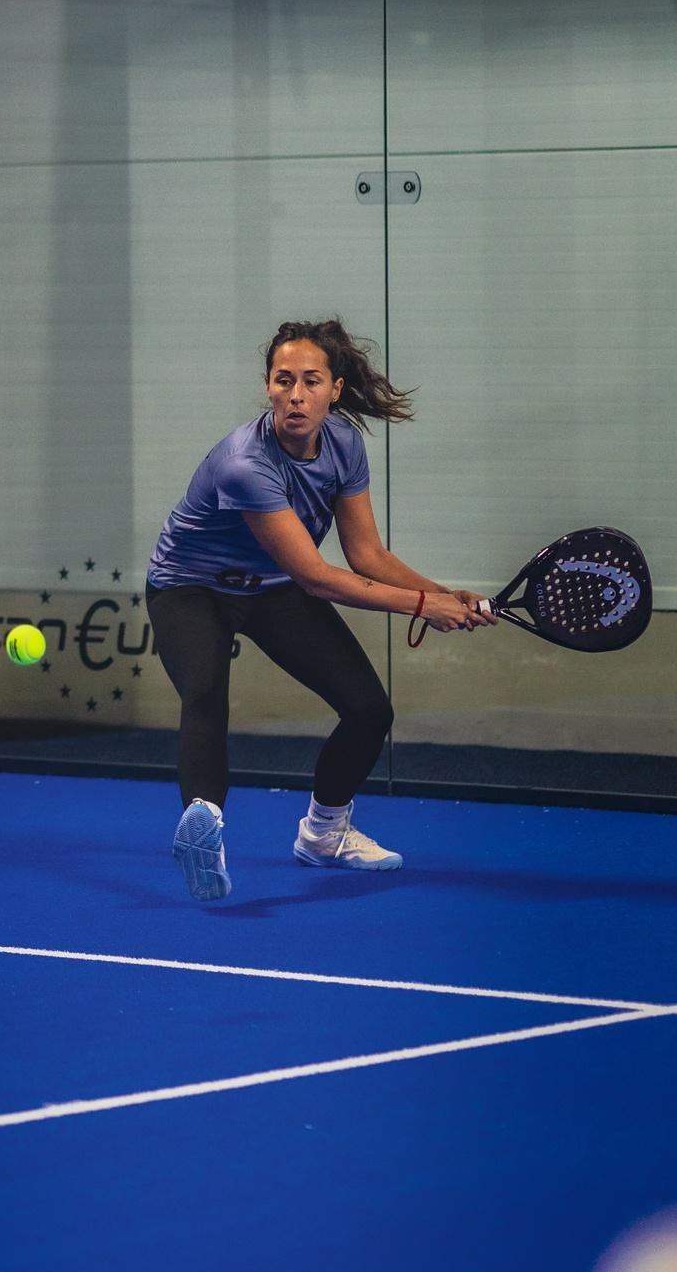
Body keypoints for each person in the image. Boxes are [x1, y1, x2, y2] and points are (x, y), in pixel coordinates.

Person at [145, 317, 496, 903]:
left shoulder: (344, 445)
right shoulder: (244, 464)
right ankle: (204, 831)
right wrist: (423, 606)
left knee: (369, 709)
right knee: (203, 691)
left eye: (311, 381)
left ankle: (324, 835)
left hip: (270, 587)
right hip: (190, 586)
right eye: (283, 380)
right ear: (268, 387)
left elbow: (367, 555)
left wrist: (443, 594)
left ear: (335, 390)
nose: (296, 394)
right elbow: (316, 576)